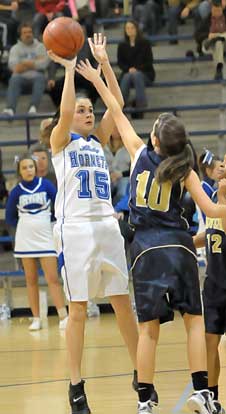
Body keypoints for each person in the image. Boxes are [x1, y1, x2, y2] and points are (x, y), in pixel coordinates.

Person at [76, 58, 226, 413]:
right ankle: (203, 393)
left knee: (148, 332)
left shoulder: (139, 152)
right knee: (193, 324)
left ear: (155, 139)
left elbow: (114, 105)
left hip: (145, 250)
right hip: (180, 247)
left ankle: (145, 401)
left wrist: (99, 73)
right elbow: (213, 210)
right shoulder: (186, 168)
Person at [48, 33, 141, 414]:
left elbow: (115, 104)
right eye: (82, 110)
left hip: (107, 227)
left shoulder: (99, 142)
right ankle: (76, 386)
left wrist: (104, 65)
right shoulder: (60, 142)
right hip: (76, 231)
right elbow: (67, 112)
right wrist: (71, 71)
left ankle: (142, 371)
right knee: (79, 308)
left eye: (90, 110)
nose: (87, 114)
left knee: (123, 303)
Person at [5, 152, 68, 331]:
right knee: (30, 279)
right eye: (24, 168)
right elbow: (10, 217)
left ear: (36, 168)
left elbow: (58, 206)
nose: (29, 170)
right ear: (19, 171)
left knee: (52, 278)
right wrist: (28, 225)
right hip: (25, 239)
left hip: (46, 236)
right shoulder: (16, 191)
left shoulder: (46, 185)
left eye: (31, 166)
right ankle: (36, 318)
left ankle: (63, 316)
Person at [193, 176, 226, 414]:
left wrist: (222, 197)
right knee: (209, 343)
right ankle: (212, 399)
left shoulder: (220, 201)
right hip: (214, 284)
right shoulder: (215, 201)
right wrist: (186, 242)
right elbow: (212, 234)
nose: (222, 167)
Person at [2, 22, 49, 116]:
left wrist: (23, 62)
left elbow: (44, 64)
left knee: (40, 77)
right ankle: (10, 109)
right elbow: (14, 67)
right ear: (20, 35)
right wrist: (34, 61)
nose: (28, 34)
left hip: (37, 76)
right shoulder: (15, 48)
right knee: (14, 78)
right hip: (20, 77)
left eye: (30, 32)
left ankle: (33, 107)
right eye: (25, 33)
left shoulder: (40, 46)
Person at [117, 19, 155, 118]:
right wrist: (129, 69)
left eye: (132, 28)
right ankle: (121, 106)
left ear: (137, 29)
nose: (130, 30)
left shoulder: (145, 43)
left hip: (145, 73)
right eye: (127, 28)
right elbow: (120, 63)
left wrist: (136, 69)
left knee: (136, 75)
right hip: (128, 73)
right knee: (127, 76)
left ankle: (140, 106)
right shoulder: (122, 45)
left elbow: (149, 61)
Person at [198, 148, 225, 223]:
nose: (222, 171)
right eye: (219, 168)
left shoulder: (213, 187)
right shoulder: (203, 188)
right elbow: (206, 215)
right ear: (208, 170)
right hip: (206, 228)